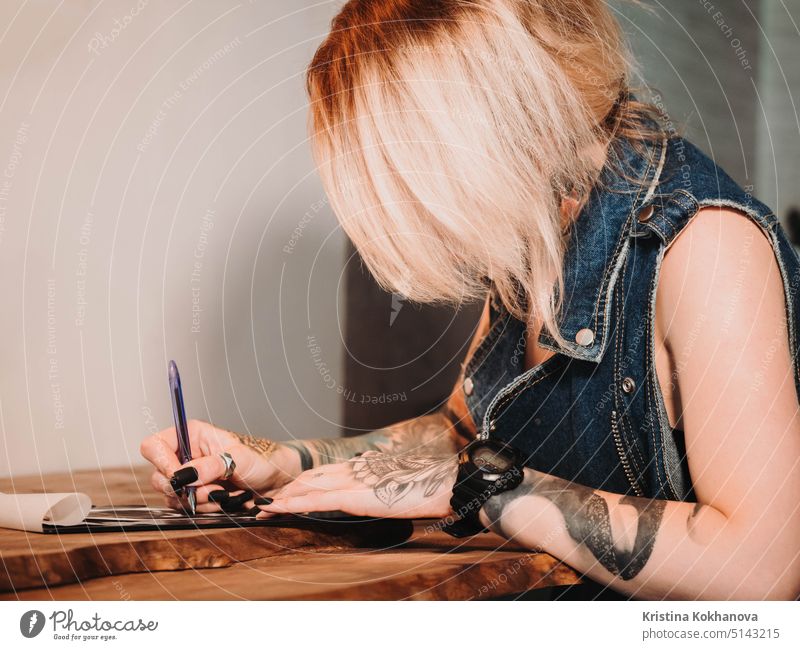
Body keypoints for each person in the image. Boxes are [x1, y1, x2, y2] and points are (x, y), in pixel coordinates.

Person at [140, 0, 800, 599]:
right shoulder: (544, 224)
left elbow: (764, 569)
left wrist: (484, 491)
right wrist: (283, 462)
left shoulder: (706, 249)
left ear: (510, 127)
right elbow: (462, 431)